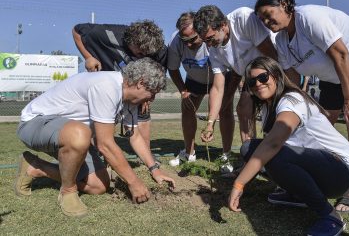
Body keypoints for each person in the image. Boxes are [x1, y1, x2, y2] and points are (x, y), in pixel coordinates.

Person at [254, 0, 349, 213]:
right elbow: (293, 78)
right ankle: (312, 178)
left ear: (285, 5)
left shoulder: (309, 18)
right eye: (262, 19)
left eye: (269, 14)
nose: (266, 21)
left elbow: (341, 54)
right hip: (333, 73)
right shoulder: (282, 41)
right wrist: (298, 110)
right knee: (320, 121)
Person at [15, 58, 176, 217]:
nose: (152, 99)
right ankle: (68, 191)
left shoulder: (128, 100)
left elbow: (135, 137)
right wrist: (133, 182)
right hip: (34, 124)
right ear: (141, 83)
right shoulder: (107, 86)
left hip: (74, 134)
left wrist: (154, 169)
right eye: (152, 93)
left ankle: (35, 167)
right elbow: (104, 144)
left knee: (98, 185)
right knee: (80, 133)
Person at [229, 57, 349, 236]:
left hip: (342, 172)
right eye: (252, 82)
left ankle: (330, 216)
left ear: (276, 75)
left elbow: (273, 143)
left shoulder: (291, 100)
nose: (258, 84)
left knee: (274, 154)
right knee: (249, 148)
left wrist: (239, 184)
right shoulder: (270, 105)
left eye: (263, 77)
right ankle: (298, 195)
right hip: (320, 166)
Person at [193, 5, 277, 172]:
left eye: (210, 38)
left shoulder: (243, 19)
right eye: (205, 41)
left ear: (223, 25)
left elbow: (272, 54)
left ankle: (274, 159)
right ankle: (251, 160)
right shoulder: (214, 49)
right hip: (250, 74)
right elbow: (217, 87)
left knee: (273, 113)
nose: (208, 45)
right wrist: (210, 123)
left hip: (273, 67)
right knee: (243, 107)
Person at [72, 20, 168, 148]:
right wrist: (88, 57)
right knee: (104, 120)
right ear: (132, 41)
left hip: (137, 86)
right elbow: (76, 31)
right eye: (140, 53)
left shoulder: (158, 49)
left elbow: (158, 71)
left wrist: (147, 95)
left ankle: (145, 155)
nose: (143, 56)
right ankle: (98, 153)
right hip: (109, 86)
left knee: (143, 113)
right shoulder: (106, 33)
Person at [166, 12, 213, 166]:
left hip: (217, 79)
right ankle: (189, 152)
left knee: (225, 112)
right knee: (187, 108)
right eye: (184, 40)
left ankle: (225, 154)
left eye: (192, 39)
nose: (188, 45)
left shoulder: (211, 37)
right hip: (193, 79)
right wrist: (183, 90)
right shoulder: (175, 41)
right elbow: (173, 69)